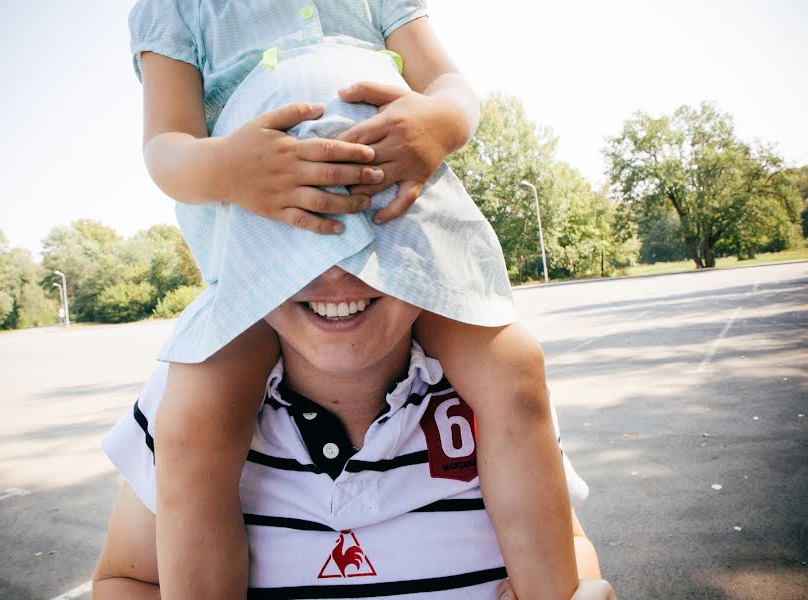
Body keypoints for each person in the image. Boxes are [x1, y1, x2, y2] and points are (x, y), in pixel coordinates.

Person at [130, 1, 577, 597]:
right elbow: (166, 147)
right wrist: (227, 166)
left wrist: (443, 119)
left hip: (403, 215)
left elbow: (449, 82)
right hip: (267, 226)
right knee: (191, 422)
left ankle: (555, 593)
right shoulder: (176, 7)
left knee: (514, 370)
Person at [94, 267, 615, 599]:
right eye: (291, 237)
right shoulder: (185, 404)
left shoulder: (493, 389)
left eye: (370, 223)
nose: (335, 270)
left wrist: (578, 589)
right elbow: (127, 581)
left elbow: (570, 545)